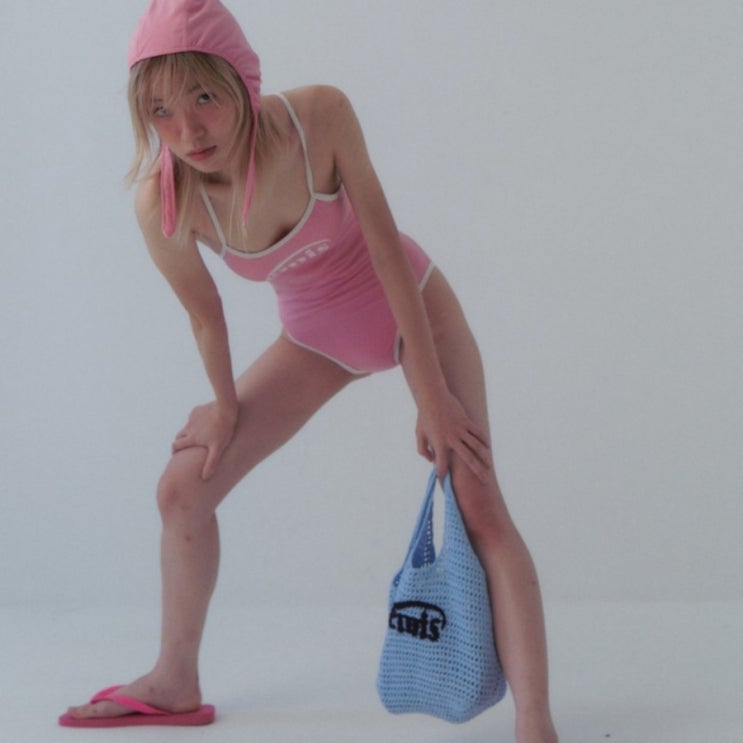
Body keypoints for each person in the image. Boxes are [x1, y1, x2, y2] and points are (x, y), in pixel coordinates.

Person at [60, 1, 558, 740]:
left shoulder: (317, 117)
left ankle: (534, 722)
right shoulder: (165, 201)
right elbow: (206, 317)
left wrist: (431, 395)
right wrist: (223, 406)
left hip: (414, 307)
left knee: (478, 500)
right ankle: (174, 679)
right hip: (317, 338)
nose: (188, 130)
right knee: (181, 489)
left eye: (204, 97)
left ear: (243, 79)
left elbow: (386, 248)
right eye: (161, 111)